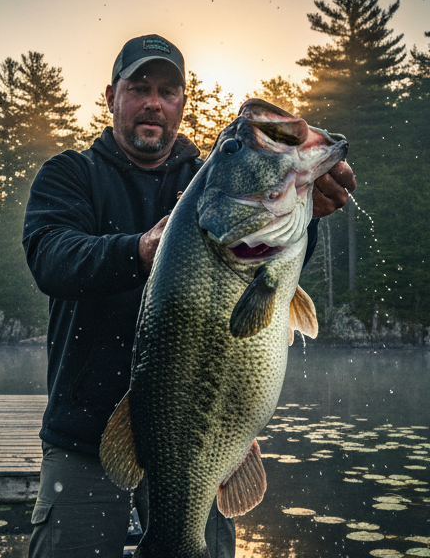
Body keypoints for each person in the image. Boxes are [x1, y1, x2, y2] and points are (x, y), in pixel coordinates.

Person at [22, 34, 356, 558]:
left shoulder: (208, 177)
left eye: (168, 90)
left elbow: (268, 261)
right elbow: (51, 257)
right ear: (112, 96)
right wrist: (138, 248)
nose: (154, 101)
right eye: (140, 87)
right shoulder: (71, 175)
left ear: (182, 102)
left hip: (206, 441)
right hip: (85, 438)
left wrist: (307, 212)